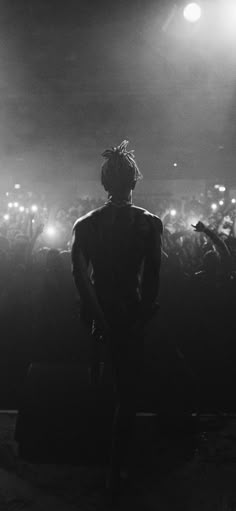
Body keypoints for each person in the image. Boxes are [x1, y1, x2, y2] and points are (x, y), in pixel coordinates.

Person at [71, 140, 163, 499]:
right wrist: (139, 318)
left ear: (104, 183)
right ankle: (115, 471)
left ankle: (90, 461)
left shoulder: (86, 224)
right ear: (134, 182)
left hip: (97, 313)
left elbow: (80, 277)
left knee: (95, 386)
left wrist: (98, 319)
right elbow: (153, 279)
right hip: (129, 315)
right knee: (127, 394)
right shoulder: (149, 223)